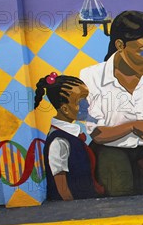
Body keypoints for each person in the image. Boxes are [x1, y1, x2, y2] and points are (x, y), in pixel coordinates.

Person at [80, 10, 143, 196]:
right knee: (119, 196)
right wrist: (133, 126)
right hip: (111, 150)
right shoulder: (91, 76)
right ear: (120, 45)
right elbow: (97, 133)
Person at [34, 72, 102, 201]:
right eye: (81, 101)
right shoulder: (59, 141)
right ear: (65, 109)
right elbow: (62, 188)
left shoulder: (71, 136)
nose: (87, 105)